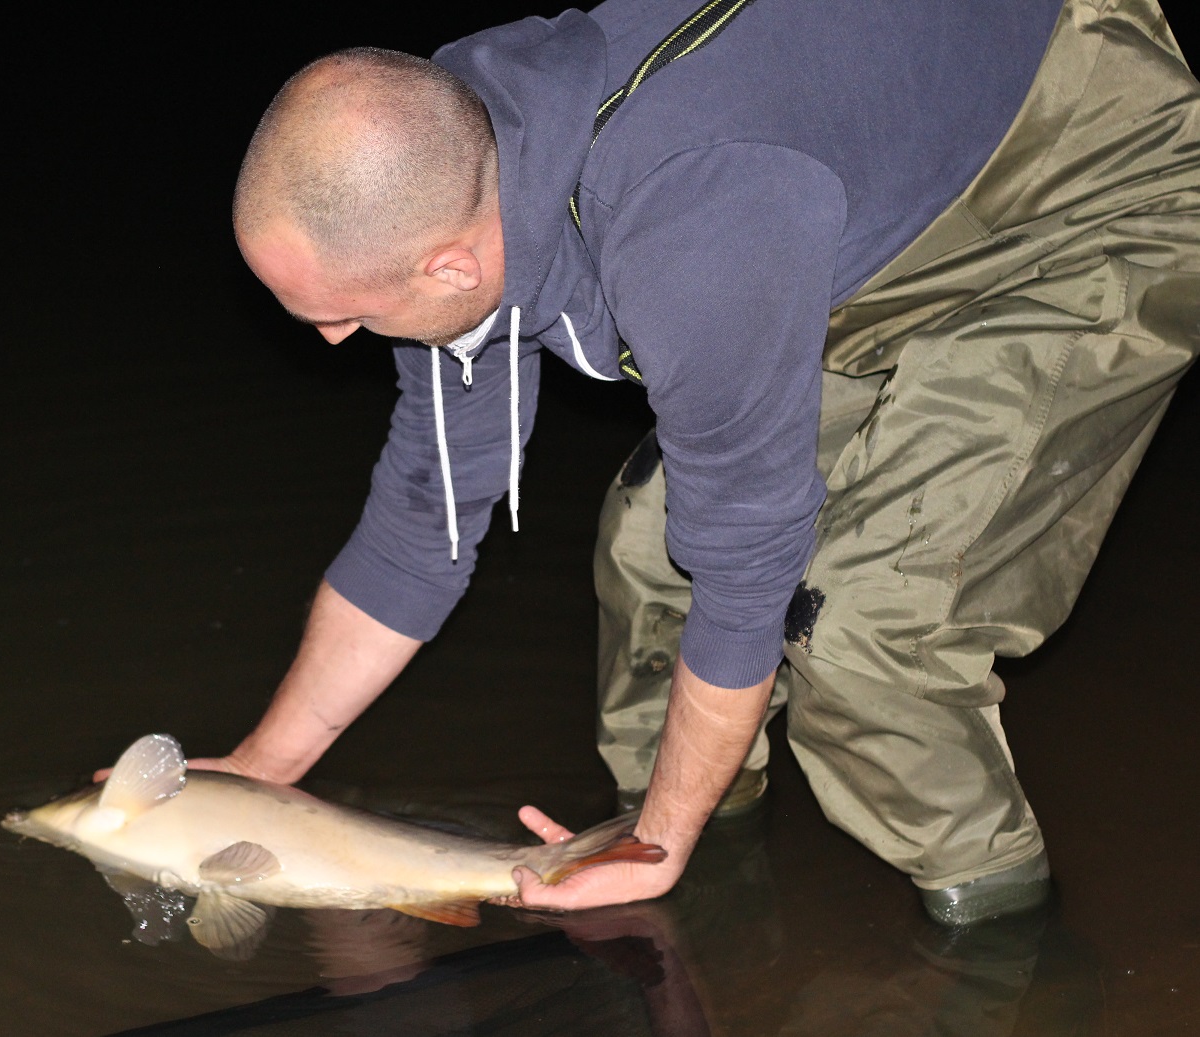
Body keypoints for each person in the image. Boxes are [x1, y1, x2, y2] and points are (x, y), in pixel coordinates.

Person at [208, 0, 1200, 923]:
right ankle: (712, 898)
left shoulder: (688, 227)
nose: (333, 339)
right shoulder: (463, 162)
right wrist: (257, 771)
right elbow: (423, 525)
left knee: (865, 631)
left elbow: (743, 575)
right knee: (649, 552)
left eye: (342, 310)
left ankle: (1000, 945)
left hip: (1094, 189)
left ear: (449, 265)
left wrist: (657, 841)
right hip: (864, 206)